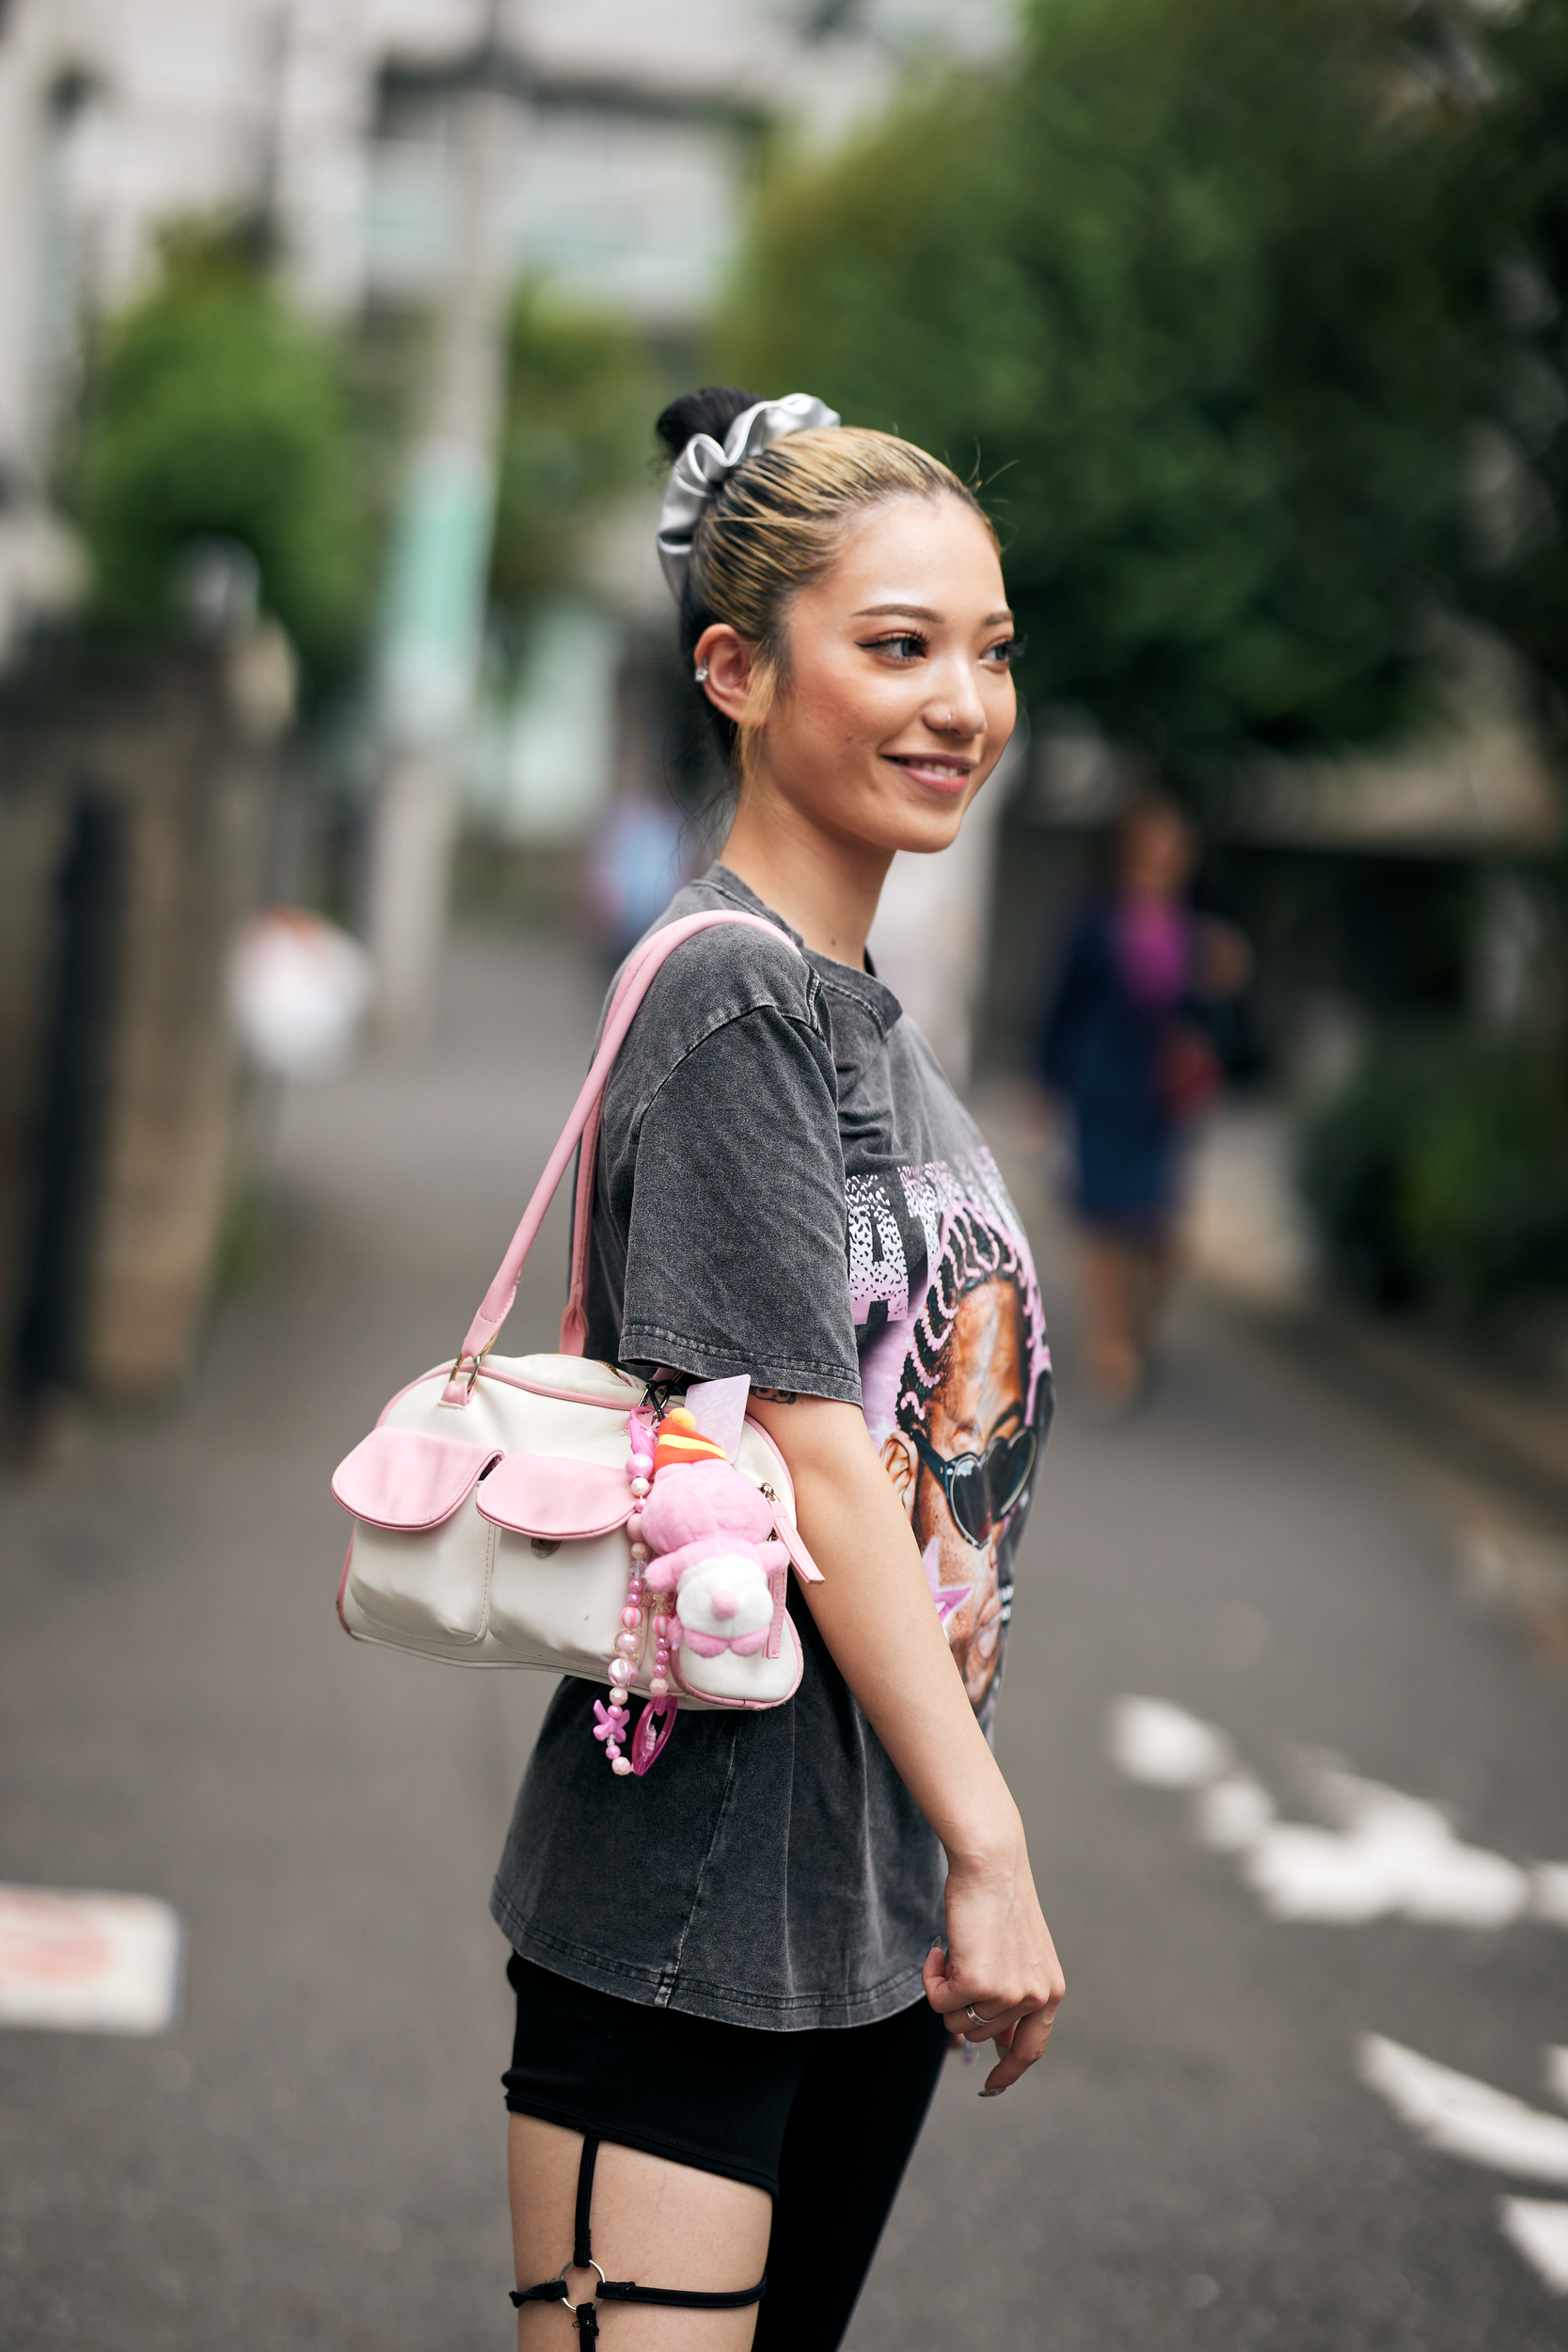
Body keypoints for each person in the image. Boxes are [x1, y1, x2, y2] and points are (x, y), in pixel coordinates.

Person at [492, 388, 1064, 2350]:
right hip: (691, 1904)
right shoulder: (733, 989)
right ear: (732, 669)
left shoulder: (855, 1017)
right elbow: (813, 1454)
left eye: (986, 649)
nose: (958, 703)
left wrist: (936, 1847)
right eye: (894, 645)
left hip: (852, 1898)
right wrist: (991, 1843)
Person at [1038, 792, 1250, 1412]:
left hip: (1163, 1095)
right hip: (1102, 1087)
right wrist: (1045, 1081)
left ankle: (1138, 1328)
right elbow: (1062, 1003)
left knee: (1160, 1230)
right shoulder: (1095, 918)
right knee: (1104, 1220)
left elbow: (1217, 1015)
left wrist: (1224, 977)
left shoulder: (1194, 925)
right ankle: (1110, 1344)